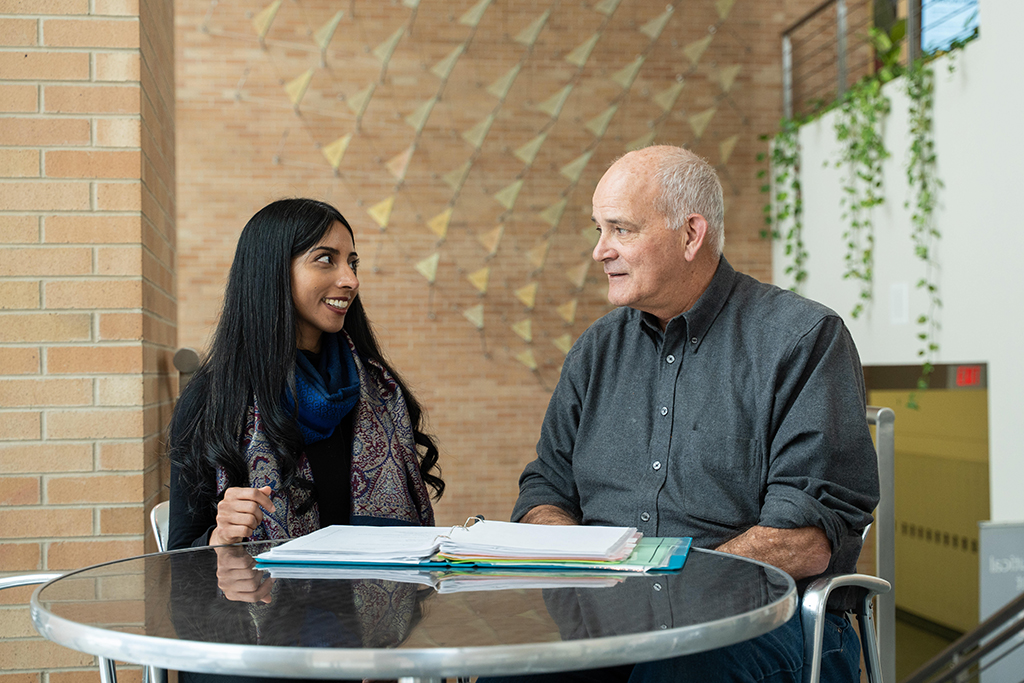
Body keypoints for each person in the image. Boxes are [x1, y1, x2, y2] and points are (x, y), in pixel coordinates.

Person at [499, 146, 880, 683]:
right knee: (508, 671)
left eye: (620, 229)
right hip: (611, 618)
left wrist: (663, 590)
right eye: (598, 229)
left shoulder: (802, 339)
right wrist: (579, 559)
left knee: (672, 674)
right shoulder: (596, 350)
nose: (599, 250)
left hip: (768, 620)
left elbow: (804, 536)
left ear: (690, 234)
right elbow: (544, 489)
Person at [168, 196, 444, 548]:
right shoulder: (214, 398)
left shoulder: (379, 391)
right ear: (273, 270)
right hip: (267, 602)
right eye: (326, 260)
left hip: (380, 601)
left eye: (352, 263)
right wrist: (219, 538)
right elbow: (180, 557)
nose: (350, 280)